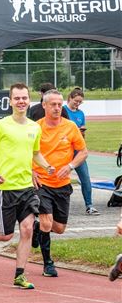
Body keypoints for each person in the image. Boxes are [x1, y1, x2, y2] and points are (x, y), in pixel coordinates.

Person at [0, 83, 56, 289]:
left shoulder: (34, 127)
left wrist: (46, 166)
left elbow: (35, 153)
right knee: (6, 235)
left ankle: (20, 275)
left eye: (24, 98)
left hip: (27, 187)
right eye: (17, 98)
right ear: (10, 101)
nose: (21, 101)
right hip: (5, 188)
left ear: (29, 100)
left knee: (27, 229)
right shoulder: (1, 126)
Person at [32, 89, 88, 277]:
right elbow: (26, 152)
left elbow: (83, 152)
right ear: (44, 105)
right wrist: (31, 171)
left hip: (62, 184)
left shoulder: (70, 127)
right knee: (47, 222)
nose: (57, 108)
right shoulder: (36, 128)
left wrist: (70, 166)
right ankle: (48, 264)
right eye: (53, 104)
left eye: (59, 104)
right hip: (42, 183)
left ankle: (36, 228)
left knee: (59, 228)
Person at [63, 87, 99, 215]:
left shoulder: (80, 114)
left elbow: (82, 133)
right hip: (64, 150)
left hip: (77, 151)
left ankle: (89, 205)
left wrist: (81, 132)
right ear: (70, 98)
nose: (77, 104)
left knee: (85, 178)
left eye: (80, 102)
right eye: (76, 101)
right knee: (59, 178)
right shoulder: (63, 110)